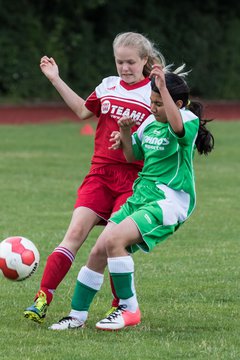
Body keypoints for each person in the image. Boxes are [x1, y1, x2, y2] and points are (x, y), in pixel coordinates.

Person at [47, 64, 214, 331]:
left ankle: (128, 308)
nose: (152, 107)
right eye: (151, 101)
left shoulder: (186, 120)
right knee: (99, 249)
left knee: (114, 240)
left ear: (177, 103)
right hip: (141, 195)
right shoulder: (149, 122)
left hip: (169, 200)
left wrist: (163, 90)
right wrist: (124, 133)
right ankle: (76, 316)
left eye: (158, 102)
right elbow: (131, 155)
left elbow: (177, 125)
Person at [23, 32, 166, 323]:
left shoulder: (153, 95)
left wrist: (130, 138)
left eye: (130, 62)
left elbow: (160, 137)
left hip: (132, 179)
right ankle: (43, 297)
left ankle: (120, 306)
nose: (124, 68)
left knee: (112, 241)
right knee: (74, 235)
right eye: (119, 62)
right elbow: (81, 111)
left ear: (145, 62)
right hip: (99, 175)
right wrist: (55, 78)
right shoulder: (108, 86)